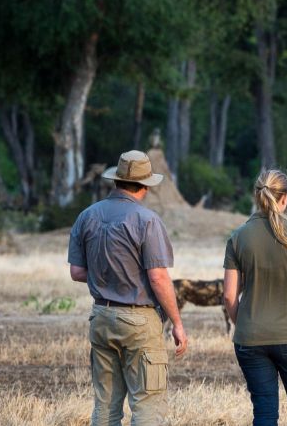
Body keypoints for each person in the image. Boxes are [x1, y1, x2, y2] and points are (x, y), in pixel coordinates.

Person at [68, 150, 188, 425]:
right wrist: (178, 323)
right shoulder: (147, 220)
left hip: (101, 317)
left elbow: (76, 272)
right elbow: (158, 278)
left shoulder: (86, 216)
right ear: (145, 186)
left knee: (105, 407)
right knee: (147, 406)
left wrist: (107, 278)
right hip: (139, 321)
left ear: (116, 180)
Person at [223, 170, 287, 426]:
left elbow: (229, 295)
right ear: (285, 198)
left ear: (257, 196)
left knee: (265, 414)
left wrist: (243, 325)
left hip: (250, 338)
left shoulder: (238, 237)